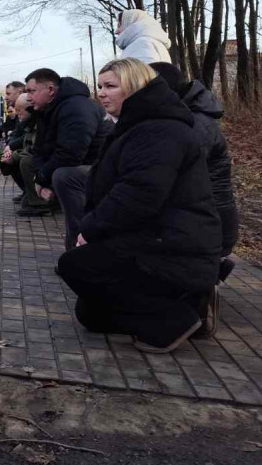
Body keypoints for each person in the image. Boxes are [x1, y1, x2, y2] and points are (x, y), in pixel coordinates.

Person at [57, 58, 221, 353]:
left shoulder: (158, 130)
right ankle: (185, 303)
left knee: (74, 266)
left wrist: (90, 230)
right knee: (90, 314)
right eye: (100, 86)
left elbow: (139, 194)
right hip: (155, 237)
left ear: (134, 87)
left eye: (111, 86)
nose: (101, 93)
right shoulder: (135, 126)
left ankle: (177, 319)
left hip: (174, 247)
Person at [152, 62, 238, 336]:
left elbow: (168, 176)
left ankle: (200, 291)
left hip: (208, 225)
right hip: (201, 219)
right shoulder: (185, 117)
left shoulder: (195, 124)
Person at [19, 68, 105, 218]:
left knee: (63, 174)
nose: (28, 97)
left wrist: (42, 179)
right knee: (23, 161)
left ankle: (82, 230)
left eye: (32, 91)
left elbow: (70, 154)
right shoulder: (46, 109)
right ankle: (38, 200)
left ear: (50, 90)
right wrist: (40, 179)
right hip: (73, 166)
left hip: (96, 167)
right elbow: (39, 149)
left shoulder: (76, 108)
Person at [0, 93, 33, 201]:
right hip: (19, 147)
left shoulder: (33, 118)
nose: (6, 96)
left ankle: (31, 195)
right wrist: (9, 145)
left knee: (18, 160)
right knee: (1, 157)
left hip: (29, 151)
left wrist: (11, 148)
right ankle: (26, 191)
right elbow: (17, 133)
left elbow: (27, 138)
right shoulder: (22, 117)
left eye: (9, 93)